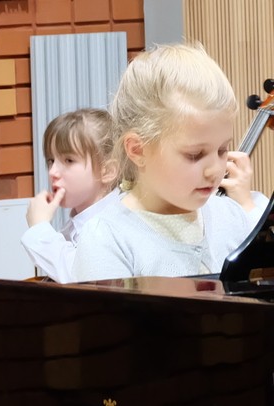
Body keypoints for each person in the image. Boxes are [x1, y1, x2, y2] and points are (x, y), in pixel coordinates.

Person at [73, 44, 262, 282]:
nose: (215, 169)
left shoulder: (233, 218)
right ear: (137, 149)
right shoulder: (107, 238)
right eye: (194, 155)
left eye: (222, 150)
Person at [21, 108, 119, 283]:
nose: (53, 172)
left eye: (69, 160)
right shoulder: (78, 225)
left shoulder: (115, 223)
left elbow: (80, 276)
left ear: (108, 171)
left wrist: (39, 228)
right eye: (51, 160)